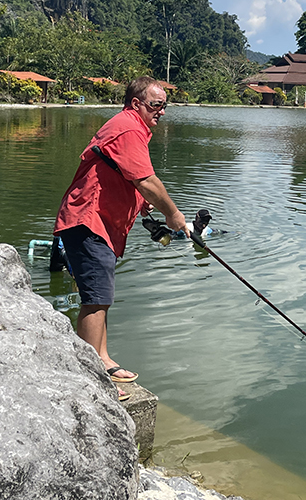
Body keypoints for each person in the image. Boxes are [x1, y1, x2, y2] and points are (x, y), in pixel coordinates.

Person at [54, 76, 189, 389]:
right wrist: (173, 213)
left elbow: (123, 174)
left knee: (102, 297)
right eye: (157, 104)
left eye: (165, 105)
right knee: (96, 298)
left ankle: (101, 357)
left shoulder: (133, 127)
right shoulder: (129, 127)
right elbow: (146, 180)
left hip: (99, 222)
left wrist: (140, 203)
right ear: (136, 104)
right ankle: (90, 378)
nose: (163, 111)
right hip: (88, 220)